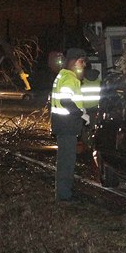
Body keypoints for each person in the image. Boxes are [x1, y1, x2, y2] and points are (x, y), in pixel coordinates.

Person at [50, 48, 89, 202]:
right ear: (73, 61)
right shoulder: (69, 78)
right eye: (82, 61)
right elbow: (66, 101)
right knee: (67, 162)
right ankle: (64, 196)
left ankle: (63, 193)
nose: (84, 64)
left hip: (63, 125)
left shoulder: (62, 76)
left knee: (65, 161)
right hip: (67, 126)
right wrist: (81, 114)